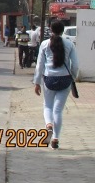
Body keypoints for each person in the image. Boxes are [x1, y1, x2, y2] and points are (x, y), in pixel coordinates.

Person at [33, 20, 79, 149]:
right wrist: (73, 77)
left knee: (48, 106)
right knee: (58, 110)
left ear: (50, 29)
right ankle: (55, 139)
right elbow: (75, 65)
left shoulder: (44, 44)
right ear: (63, 30)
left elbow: (39, 65)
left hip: (49, 79)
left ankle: (48, 125)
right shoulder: (69, 44)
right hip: (65, 79)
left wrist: (36, 82)